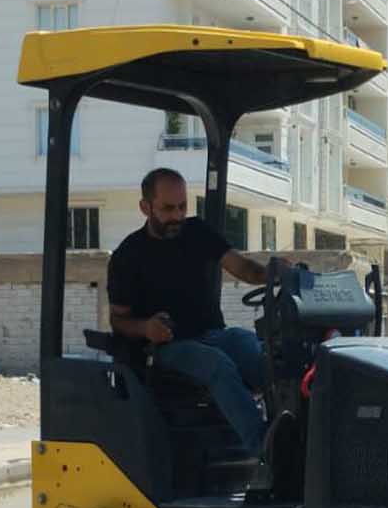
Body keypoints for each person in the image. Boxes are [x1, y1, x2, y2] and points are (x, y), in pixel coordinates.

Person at [107, 168, 272, 454]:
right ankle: (267, 452)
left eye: (183, 206)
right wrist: (146, 328)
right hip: (167, 349)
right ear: (145, 207)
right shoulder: (128, 256)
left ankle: (293, 436)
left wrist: (273, 274)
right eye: (168, 208)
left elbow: (242, 267)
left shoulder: (197, 232)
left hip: (215, 335)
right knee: (218, 364)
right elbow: (118, 320)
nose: (178, 215)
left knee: (264, 355)